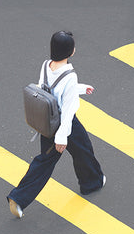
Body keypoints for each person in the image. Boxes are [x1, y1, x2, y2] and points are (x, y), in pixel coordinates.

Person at [7, 31, 105, 218]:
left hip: (47, 120)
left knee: (65, 154)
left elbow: (52, 89)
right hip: (63, 125)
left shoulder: (46, 65)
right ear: (70, 51)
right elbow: (68, 108)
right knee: (79, 150)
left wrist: (82, 89)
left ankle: (92, 181)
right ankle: (91, 183)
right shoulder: (69, 75)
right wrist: (61, 137)